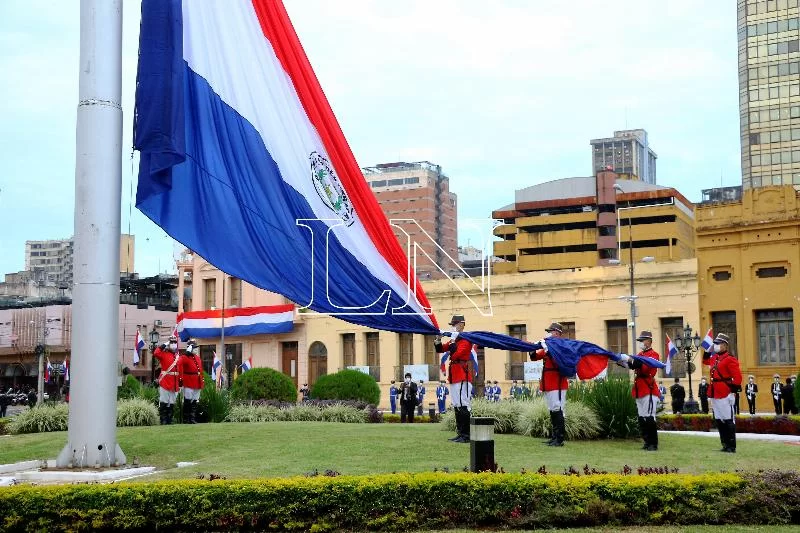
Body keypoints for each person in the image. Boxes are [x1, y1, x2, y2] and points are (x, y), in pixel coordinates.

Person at [434, 314, 474, 443]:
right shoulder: (455, 339)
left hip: (462, 375)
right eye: (452, 325)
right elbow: (441, 349)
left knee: (463, 405)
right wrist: (438, 340)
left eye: (455, 325)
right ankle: (461, 433)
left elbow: (456, 354)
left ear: (461, 325)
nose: (453, 328)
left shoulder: (466, 340)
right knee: (457, 405)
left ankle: (467, 435)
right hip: (454, 375)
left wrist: (452, 341)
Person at [619, 330, 661, 451]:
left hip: (648, 388)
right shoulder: (640, 355)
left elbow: (647, 368)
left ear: (649, 341)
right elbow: (634, 366)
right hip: (639, 388)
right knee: (642, 417)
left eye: (642, 340)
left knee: (649, 417)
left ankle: (653, 443)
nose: (641, 343)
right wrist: (622, 362)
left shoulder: (654, 355)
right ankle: (647, 442)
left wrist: (632, 360)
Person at [529, 322, 569, 447]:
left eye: (550, 332)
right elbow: (536, 356)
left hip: (557, 383)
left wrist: (545, 346)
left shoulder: (560, 346)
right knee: (552, 409)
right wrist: (531, 348)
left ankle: (560, 439)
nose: (548, 334)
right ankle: (554, 437)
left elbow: (558, 360)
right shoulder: (549, 346)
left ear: (556, 333)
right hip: (549, 382)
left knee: (558, 409)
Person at [707, 333, 742, 453]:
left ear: (725, 345)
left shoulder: (730, 359)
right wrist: (707, 350)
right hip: (715, 392)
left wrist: (732, 392)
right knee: (719, 419)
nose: (715, 346)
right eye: (715, 344)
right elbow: (705, 361)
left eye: (718, 344)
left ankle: (731, 446)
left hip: (725, 392)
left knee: (728, 419)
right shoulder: (715, 358)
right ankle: (724, 444)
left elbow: (737, 378)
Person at [153, 335, 181, 425]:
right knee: (164, 401)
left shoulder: (177, 356)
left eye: (175, 342)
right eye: (172, 342)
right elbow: (156, 353)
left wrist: (180, 380)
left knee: (172, 402)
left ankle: (169, 419)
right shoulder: (164, 354)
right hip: (165, 381)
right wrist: (164, 345)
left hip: (174, 382)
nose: (173, 344)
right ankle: (163, 420)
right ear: (169, 344)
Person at [178, 339, 204, 424]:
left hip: (197, 381)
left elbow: (200, 370)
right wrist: (185, 353)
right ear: (190, 348)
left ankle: (192, 418)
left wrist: (202, 380)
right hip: (189, 381)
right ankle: (186, 419)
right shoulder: (184, 357)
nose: (196, 349)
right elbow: (178, 363)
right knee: (187, 400)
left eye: (196, 348)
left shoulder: (198, 358)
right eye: (194, 348)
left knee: (195, 401)